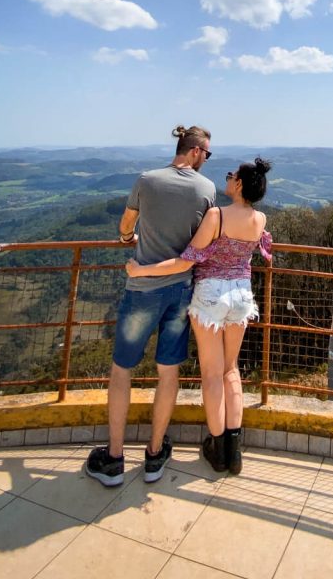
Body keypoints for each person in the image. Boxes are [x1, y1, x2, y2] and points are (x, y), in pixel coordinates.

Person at [85, 125, 215, 487]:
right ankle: (155, 455)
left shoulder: (146, 180)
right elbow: (201, 240)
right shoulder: (206, 189)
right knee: (168, 372)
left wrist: (129, 238)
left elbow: (127, 223)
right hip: (180, 289)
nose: (206, 160)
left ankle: (113, 459)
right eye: (207, 154)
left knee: (121, 370)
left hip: (142, 288)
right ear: (194, 151)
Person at [126, 157, 271, 475]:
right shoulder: (259, 219)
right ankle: (234, 452)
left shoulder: (216, 216)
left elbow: (184, 262)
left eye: (232, 175)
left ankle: (217, 448)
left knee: (211, 373)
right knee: (231, 371)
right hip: (242, 295)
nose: (228, 178)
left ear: (239, 185)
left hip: (211, 295)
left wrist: (142, 269)